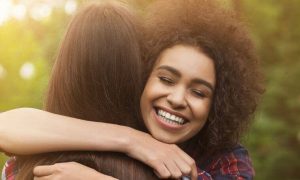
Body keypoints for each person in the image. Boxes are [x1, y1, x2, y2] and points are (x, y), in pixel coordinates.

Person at [0, 0, 264, 179]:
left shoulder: (225, 159)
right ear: (143, 76)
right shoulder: (111, 141)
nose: (176, 99)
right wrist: (132, 140)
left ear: (218, 104)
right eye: (166, 79)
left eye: (199, 92)